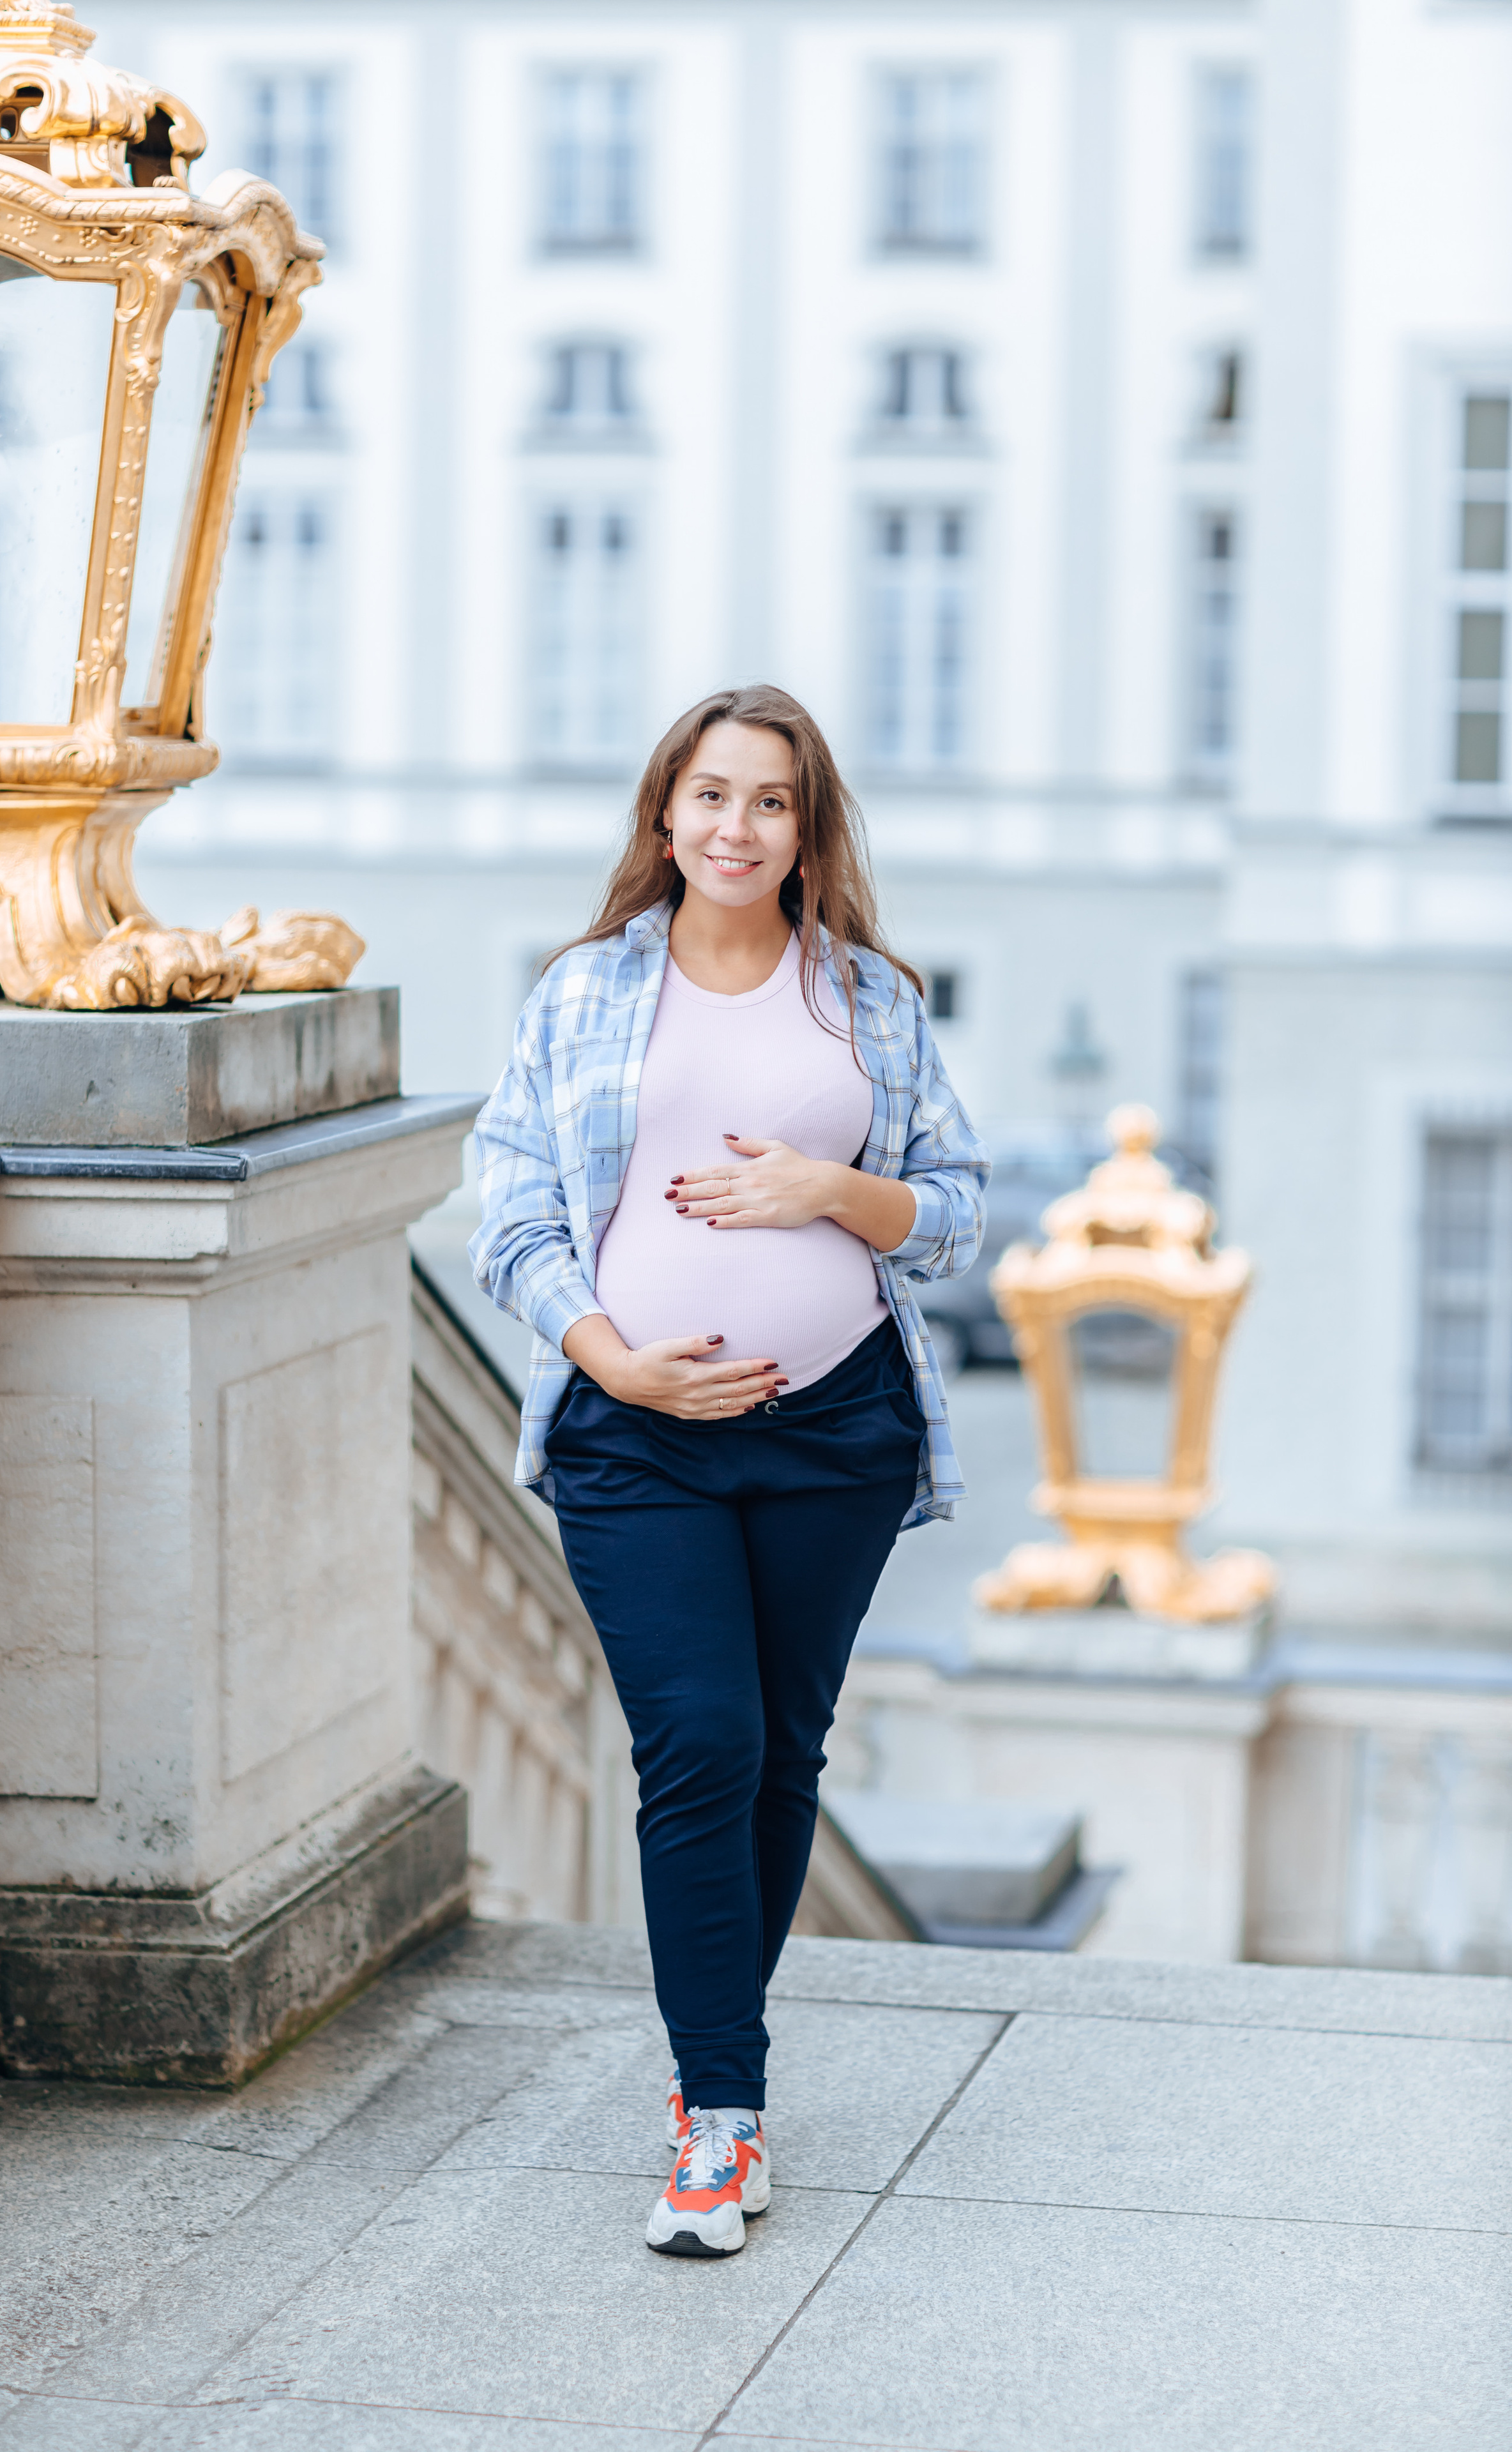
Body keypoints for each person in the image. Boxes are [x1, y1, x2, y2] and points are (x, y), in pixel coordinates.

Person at [471, 685, 987, 2258]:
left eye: (769, 802)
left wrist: (840, 1191)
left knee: (780, 1753)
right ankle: (719, 2116)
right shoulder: (581, 993)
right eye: (709, 796)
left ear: (806, 829)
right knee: (697, 1741)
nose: (735, 828)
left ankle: (717, 2074)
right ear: (662, 816)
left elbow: (956, 1216)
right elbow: (509, 1217)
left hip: (837, 1435)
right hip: (638, 1440)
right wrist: (609, 1356)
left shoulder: (871, 1002)